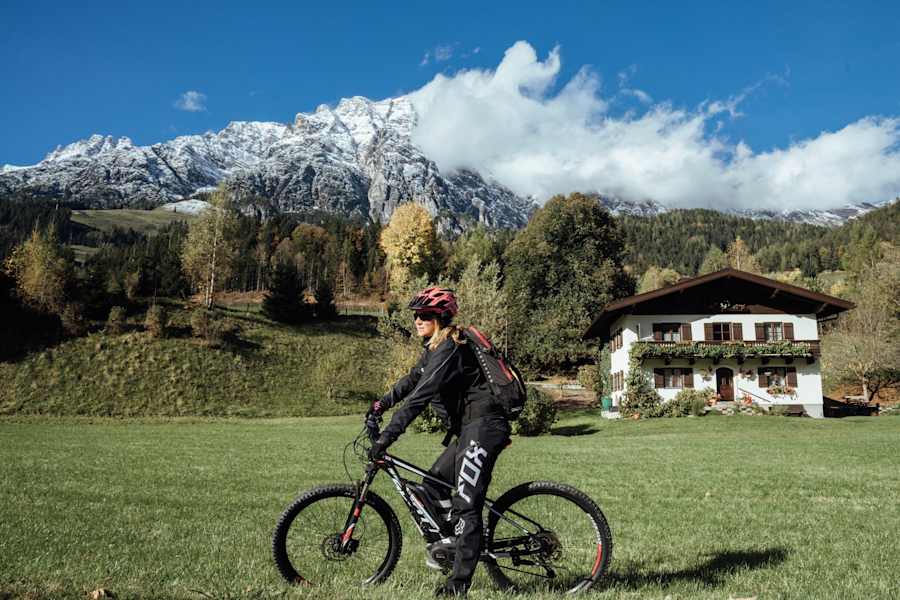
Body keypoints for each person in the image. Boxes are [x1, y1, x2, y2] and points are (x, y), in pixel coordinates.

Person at [368, 286, 511, 597]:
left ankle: (458, 583)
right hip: (470, 427)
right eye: (416, 315)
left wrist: (388, 436)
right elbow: (411, 380)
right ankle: (452, 544)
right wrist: (379, 405)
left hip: (485, 426)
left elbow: (420, 396)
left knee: (466, 503)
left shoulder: (450, 349)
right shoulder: (435, 348)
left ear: (441, 317)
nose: (418, 320)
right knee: (431, 485)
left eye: (425, 315)